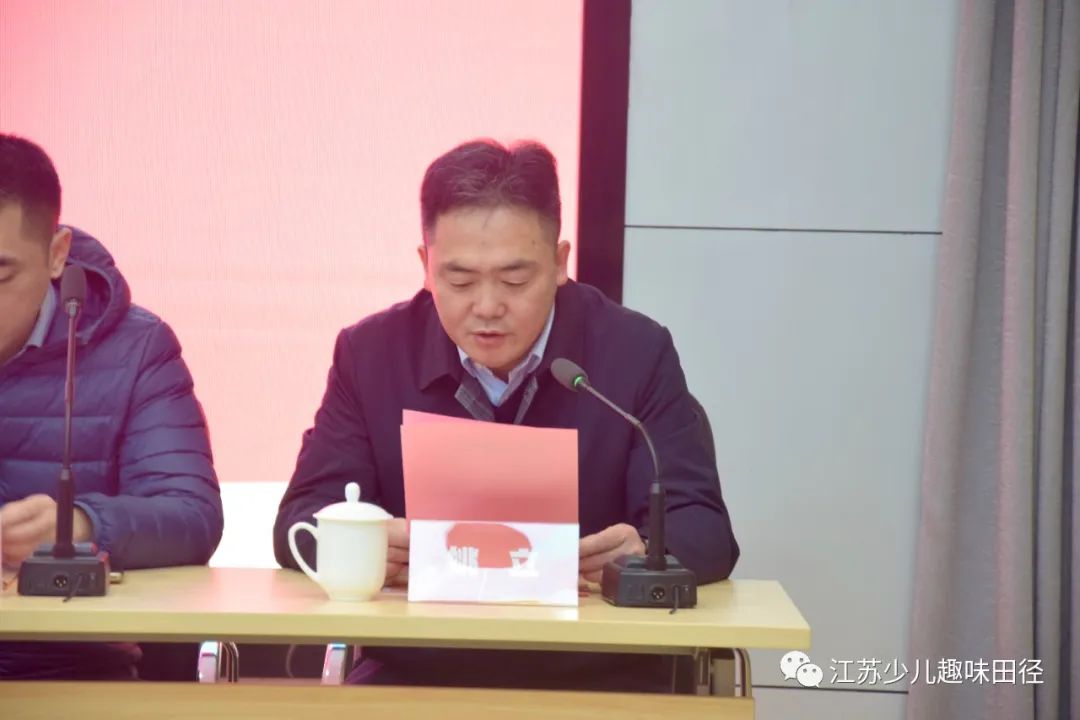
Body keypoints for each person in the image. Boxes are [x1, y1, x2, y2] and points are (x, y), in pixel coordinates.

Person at [274, 138, 738, 691]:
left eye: (515, 280)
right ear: (425, 265)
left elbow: (705, 530)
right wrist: (368, 544)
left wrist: (645, 553)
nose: (488, 306)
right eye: (460, 280)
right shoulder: (371, 354)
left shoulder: (635, 352)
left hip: (602, 672)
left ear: (560, 262)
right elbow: (298, 523)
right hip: (419, 672)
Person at [0, 134, 224, 679]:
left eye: (0, 276)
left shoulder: (135, 348)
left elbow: (192, 515)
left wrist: (80, 524)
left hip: (64, 667)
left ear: (56, 254)